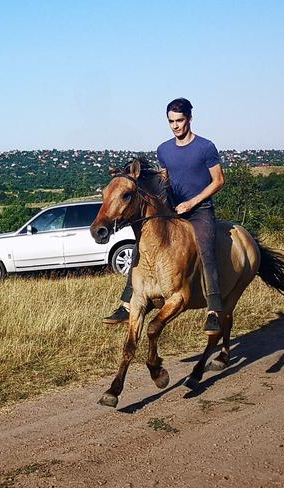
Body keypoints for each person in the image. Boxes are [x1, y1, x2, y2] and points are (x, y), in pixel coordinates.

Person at [103, 97, 225, 335]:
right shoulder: (164, 149)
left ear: (189, 118)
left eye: (179, 120)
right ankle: (127, 304)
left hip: (199, 210)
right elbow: (165, 180)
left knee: (206, 249)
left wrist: (192, 202)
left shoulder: (206, 147)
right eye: (171, 121)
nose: (175, 126)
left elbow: (219, 181)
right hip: (172, 209)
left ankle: (213, 310)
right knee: (142, 244)